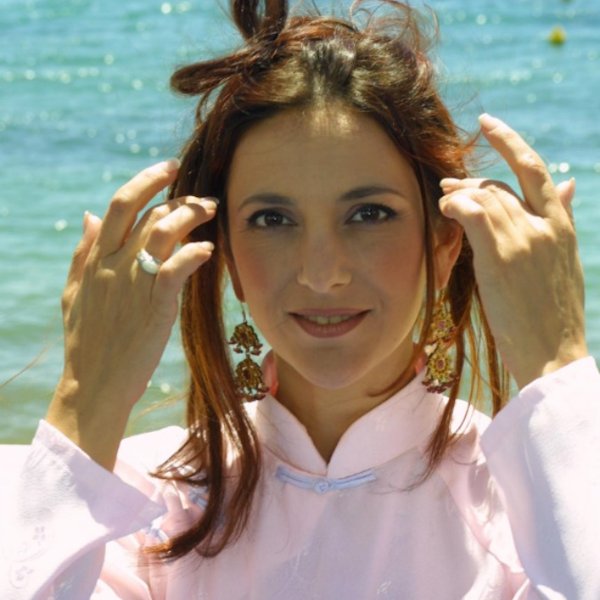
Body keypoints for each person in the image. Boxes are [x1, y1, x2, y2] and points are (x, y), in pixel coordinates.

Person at [1, 0, 599, 598]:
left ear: (445, 243)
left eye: (369, 214)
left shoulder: (528, 507)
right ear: (227, 256)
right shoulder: (145, 506)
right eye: (272, 219)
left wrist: (556, 364)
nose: (321, 273)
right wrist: (86, 399)